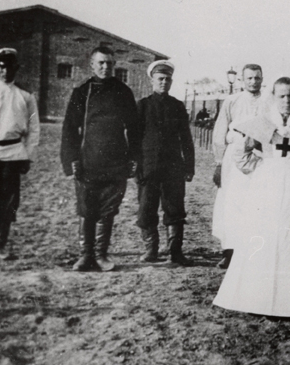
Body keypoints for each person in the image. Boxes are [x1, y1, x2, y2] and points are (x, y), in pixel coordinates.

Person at [213, 77, 290, 317]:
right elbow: (241, 154)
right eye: (281, 96)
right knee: (263, 236)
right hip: (267, 184)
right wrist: (261, 171)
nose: (286, 100)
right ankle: (257, 299)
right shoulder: (262, 123)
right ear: (273, 97)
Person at [60, 46, 140, 272]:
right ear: (92, 65)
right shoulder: (82, 92)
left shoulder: (123, 92)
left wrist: (134, 158)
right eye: (101, 63)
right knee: (86, 208)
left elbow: (134, 128)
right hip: (88, 161)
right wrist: (71, 160)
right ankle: (86, 256)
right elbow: (69, 129)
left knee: (108, 209)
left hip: (116, 162)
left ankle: (101, 254)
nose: (106, 67)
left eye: (110, 64)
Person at [135, 60, 195, 266]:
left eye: (168, 79)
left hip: (173, 169)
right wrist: (136, 166)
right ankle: (151, 250)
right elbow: (134, 139)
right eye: (160, 79)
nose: (164, 82)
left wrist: (189, 166)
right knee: (146, 209)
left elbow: (186, 139)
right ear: (152, 80)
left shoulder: (177, 106)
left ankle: (175, 252)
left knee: (175, 210)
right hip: (148, 168)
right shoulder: (143, 106)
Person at [211, 64, 264, 269]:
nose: (253, 82)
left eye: (257, 78)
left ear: (262, 79)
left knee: (256, 202)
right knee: (232, 203)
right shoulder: (232, 101)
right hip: (234, 158)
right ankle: (229, 251)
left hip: (260, 156)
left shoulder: (269, 100)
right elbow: (220, 132)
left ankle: (253, 251)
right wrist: (218, 162)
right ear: (242, 80)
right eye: (249, 78)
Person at [0, 48, 40, 260]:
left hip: (13, 154)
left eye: (10, 67)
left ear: (16, 69)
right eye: (1, 67)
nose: (6, 72)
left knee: (8, 202)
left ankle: (0, 244)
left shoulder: (26, 96)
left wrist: (28, 156)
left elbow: (34, 130)